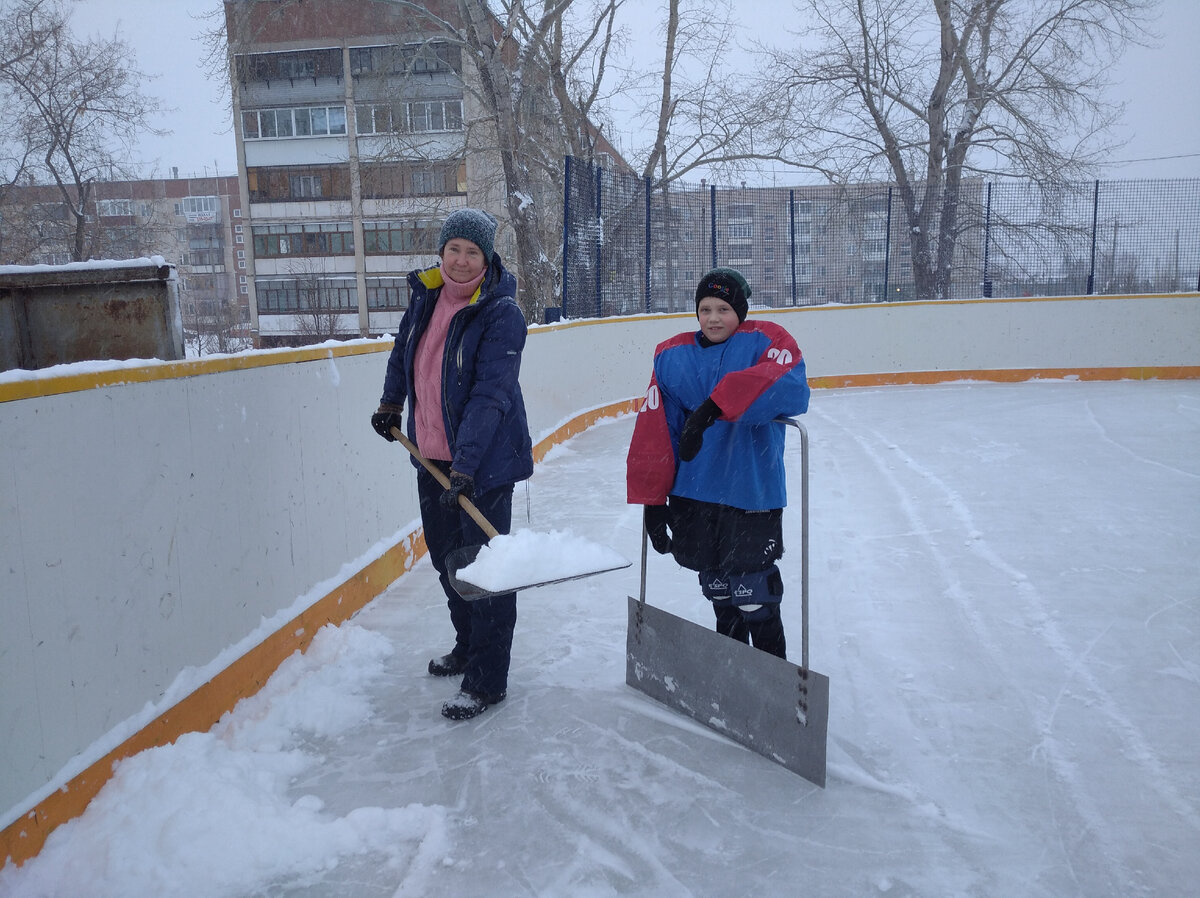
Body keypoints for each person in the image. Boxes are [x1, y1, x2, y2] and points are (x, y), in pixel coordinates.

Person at [371, 208, 533, 720]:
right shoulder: (426, 299)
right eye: (454, 250)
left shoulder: (501, 313)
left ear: (487, 260)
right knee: (447, 560)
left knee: (483, 572)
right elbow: (404, 354)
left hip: (483, 464)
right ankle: (467, 648)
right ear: (441, 253)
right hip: (430, 455)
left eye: (473, 252)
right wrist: (391, 403)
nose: (462, 261)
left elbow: (491, 394)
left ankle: (487, 680)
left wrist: (465, 465)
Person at [626, 267, 809, 657]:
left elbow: (790, 387)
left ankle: (772, 680)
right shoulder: (672, 356)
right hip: (695, 493)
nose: (713, 317)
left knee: (753, 596)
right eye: (705, 308)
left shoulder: (766, 340)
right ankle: (731, 675)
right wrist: (653, 501)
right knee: (721, 592)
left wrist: (715, 405)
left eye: (724, 308)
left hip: (750, 492)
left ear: (740, 311)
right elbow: (656, 431)